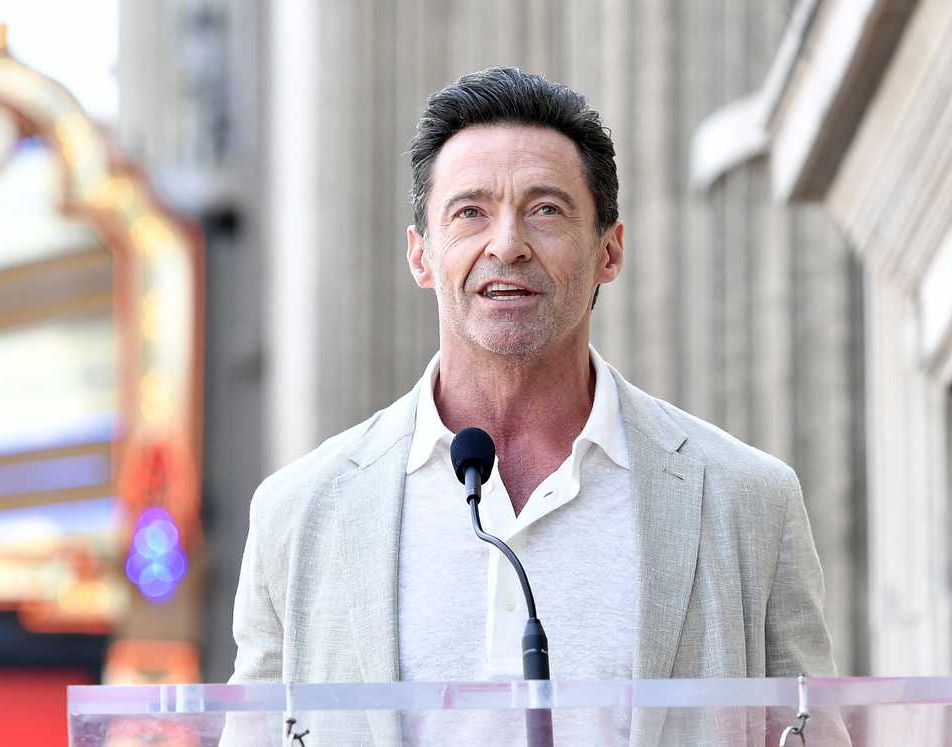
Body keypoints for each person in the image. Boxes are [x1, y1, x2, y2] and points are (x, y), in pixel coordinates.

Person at [229, 67, 837, 745]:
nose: (507, 243)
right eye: (470, 212)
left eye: (546, 208)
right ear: (421, 255)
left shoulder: (747, 500)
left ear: (610, 251)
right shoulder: (300, 514)